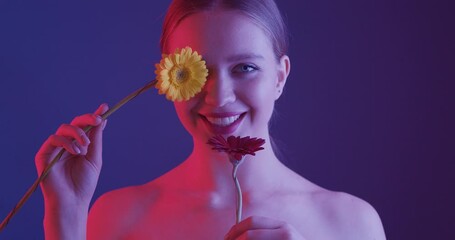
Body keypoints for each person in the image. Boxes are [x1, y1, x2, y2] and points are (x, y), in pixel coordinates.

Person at [35, 0, 386, 239]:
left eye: (245, 68)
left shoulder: (351, 224)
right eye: (194, 71)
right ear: (168, 78)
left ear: (279, 77)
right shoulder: (115, 218)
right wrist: (65, 215)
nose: (219, 98)